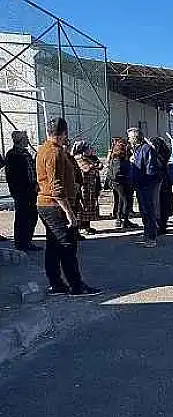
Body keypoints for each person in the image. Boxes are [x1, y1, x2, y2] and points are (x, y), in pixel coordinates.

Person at [36, 117, 101, 296]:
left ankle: (56, 283)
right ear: (64, 133)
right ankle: (75, 285)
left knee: (54, 245)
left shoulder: (45, 149)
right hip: (55, 205)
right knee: (67, 246)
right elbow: (56, 187)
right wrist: (69, 213)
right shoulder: (54, 153)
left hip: (48, 204)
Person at [5, 131, 41, 251]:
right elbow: (13, 176)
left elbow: (31, 170)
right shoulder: (12, 155)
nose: (28, 140)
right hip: (21, 192)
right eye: (25, 138)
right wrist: (18, 191)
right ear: (20, 140)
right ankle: (21, 242)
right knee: (22, 217)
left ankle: (27, 240)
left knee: (32, 216)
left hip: (32, 191)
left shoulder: (26, 153)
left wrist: (35, 184)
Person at [129, 127, 162, 248]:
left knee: (149, 210)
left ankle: (152, 237)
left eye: (130, 137)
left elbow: (150, 168)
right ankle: (147, 234)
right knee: (143, 211)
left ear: (135, 138)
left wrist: (146, 183)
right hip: (140, 184)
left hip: (146, 184)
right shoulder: (137, 149)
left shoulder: (146, 149)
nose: (128, 140)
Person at [70, 141, 101, 235]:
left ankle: (87, 226)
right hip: (84, 186)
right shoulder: (79, 158)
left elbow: (99, 166)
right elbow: (86, 168)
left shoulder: (89, 158)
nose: (90, 150)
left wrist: (95, 164)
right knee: (84, 206)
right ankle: (82, 227)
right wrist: (94, 165)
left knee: (90, 205)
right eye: (88, 148)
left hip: (90, 186)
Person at [148, 136, 173, 236]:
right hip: (165, 181)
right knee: (163, 204)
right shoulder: (165, 153)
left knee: (159, 204)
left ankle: (160, 226)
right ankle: (162, 225)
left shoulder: (156, 156)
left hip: (160, 181)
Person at [107, 139, 136, 229]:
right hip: (121, 183)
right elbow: (117, 173)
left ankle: (119, 219)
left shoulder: (115, 158)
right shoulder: (119, 159)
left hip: (118, 183)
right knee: (126, 200)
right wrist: (126, 176)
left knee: (121, 200)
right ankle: (125, 220)